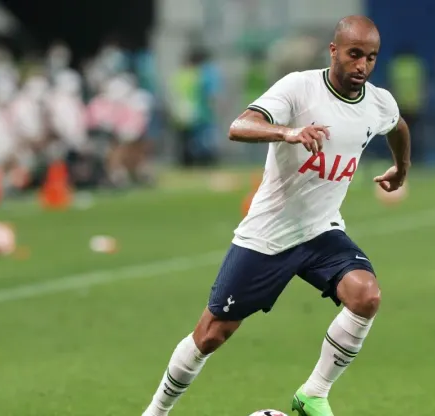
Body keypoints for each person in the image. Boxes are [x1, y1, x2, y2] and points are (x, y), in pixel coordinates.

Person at [141, 15, 411, 416]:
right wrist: (287, 132)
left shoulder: (377, 101)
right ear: (333, 51)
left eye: (371, 58)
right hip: (268, 234)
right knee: (213, 334)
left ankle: (313, 393)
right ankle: (157, 411)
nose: (362, 67)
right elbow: (239, 125)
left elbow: (397, 125)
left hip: (321, 231)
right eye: (354, 55)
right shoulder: (299, 88)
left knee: (366, 295)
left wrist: (401, 168)